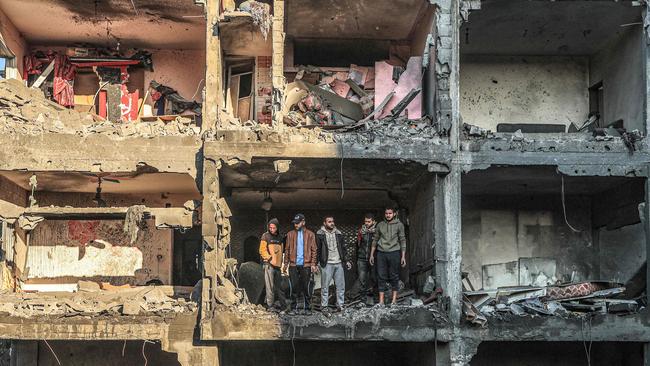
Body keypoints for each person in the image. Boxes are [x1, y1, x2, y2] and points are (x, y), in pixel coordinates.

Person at [370, 207, 407, 306]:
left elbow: (402, 240)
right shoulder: (380, 225)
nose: (388, 215)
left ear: (394, 214)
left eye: (390, 213)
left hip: (394, 252)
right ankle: (381, 301)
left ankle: (394, 301)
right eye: (386, 213)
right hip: (381, 253)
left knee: (394, 276)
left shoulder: (399, 225)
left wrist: (403, 256)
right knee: (381, 276)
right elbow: (375, 240)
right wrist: (371, 255)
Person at [316, 216, 351, 313]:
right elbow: (317, 249)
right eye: (329, 221)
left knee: (340, 286)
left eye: (333, 221)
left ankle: (340, 305)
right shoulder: (320, 234)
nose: (332, 223)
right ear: (324, 223)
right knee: (325, 286)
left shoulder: (338, 233)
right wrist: (316, 263)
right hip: (327, 263)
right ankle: (324, 306)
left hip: (339, 263)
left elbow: (343, 248)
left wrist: (346, 260)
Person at [283, 213, 317, 312]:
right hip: (293, 264)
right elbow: (287, 249)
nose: (296, 225)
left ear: (303, 222)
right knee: (294, 287)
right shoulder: (290, 234)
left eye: (298, 223)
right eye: (295, 223)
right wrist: (285, 264)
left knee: (306, 287)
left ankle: (307, 308)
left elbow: (314, 250)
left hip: (306, 265)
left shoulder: (310, 234)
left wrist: (313, 264)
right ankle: (294, 308)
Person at [259, 218, 288, 311]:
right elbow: (262, 250)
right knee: (269, 287)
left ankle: (283, 306)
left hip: (277, 266)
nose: (272, 229)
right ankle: (270, 306)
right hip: (268, 265)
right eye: (270, 227)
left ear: (277, 228)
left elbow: (281, 251)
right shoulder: (265, 236)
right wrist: (269, 258)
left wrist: (281, 264)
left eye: (274, 228)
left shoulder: (280, 238)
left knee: (279, 287)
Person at [356, 213, 376, 305]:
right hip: (362, 258)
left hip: (374, 258)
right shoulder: (361, 231)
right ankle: (362, 300)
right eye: (365, 221)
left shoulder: (377, 231)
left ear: (373, 221)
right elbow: (358, 245)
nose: (367, 223)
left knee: (374, 279)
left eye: (369, 221)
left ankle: (375, 300)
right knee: (362, 279)